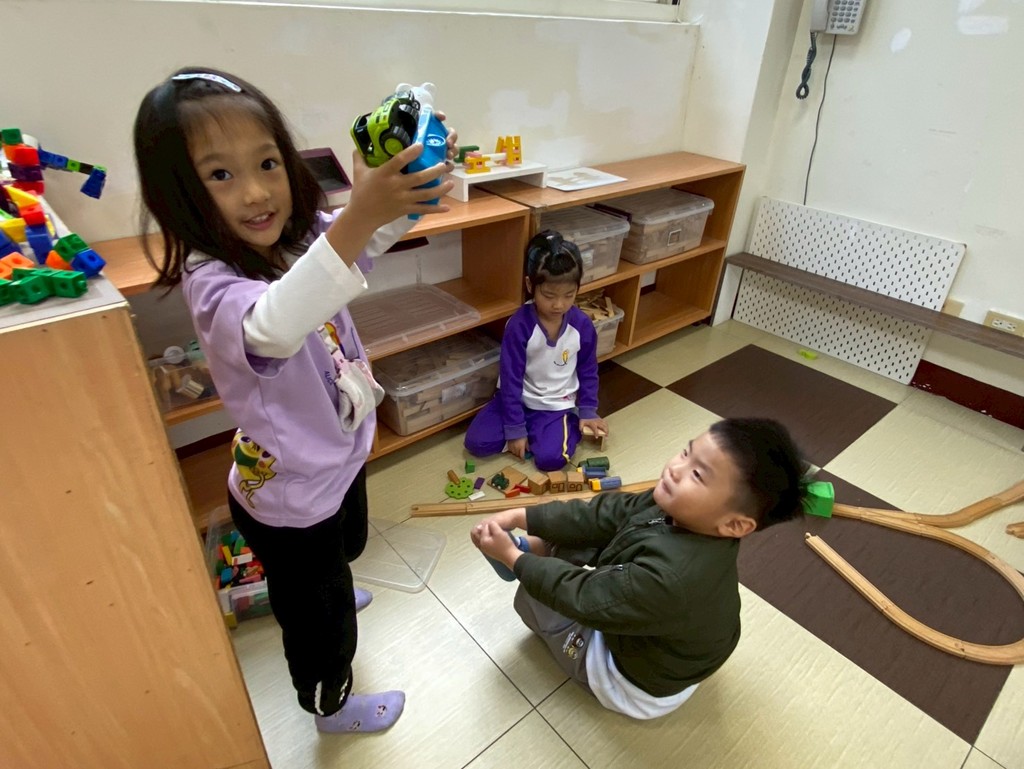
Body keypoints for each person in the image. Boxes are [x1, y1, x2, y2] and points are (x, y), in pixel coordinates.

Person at [133, 66, 456, 733]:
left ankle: (328, 586)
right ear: (177, 194)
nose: (256, 192)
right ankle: (328, 704)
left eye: (268, 163)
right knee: (319, 623)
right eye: (219, 175)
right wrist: (361, 213)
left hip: (333, 457)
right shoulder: (213, 283)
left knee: (347, 547)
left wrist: (404, 195)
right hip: (290, 499)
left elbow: (359, 246)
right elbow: (274, 324)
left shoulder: (298, 237)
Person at [471, 417, 807, 720]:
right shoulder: (676, 505)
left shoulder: (672, 579)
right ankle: (535, 547)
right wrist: (526, 516)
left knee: (533, 594)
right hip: (666, 642)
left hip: (632, 682)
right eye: (686, 453)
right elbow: (602, 515)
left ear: (734, 525)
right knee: (591, 530)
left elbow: (584, 598)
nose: (676, 469)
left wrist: (516, 561)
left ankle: (525, 555)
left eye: (697, 475)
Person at [464, 229, 608, 471]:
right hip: (517, 399)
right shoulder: (519, 325)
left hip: (555, 406)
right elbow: (510, 379)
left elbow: (588, 370)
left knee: (551, 460)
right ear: (530, 285)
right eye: (549, 295)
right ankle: (533, 433)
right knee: (476, 443)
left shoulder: (582, 326)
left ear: (577, 288)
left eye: (569, 295)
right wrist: (515, 428)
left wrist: (588, 410)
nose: (558, 304)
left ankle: (565, 423)